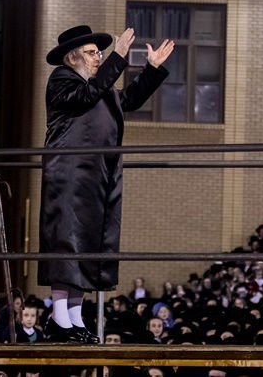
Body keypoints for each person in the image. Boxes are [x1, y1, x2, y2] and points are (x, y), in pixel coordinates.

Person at [38, 25, 173, 343]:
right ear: (73, 57)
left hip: (97, 177)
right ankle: (59, 320)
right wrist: (119, 57)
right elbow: (86, 96)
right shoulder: (62, 80)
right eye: (92, 52)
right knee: (66, 246)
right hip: (68, 177)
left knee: (88, 248)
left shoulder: (102, 87)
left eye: (100, 52)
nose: (98, 57)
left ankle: (74, 319)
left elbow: (128, 100)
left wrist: (151, 71)